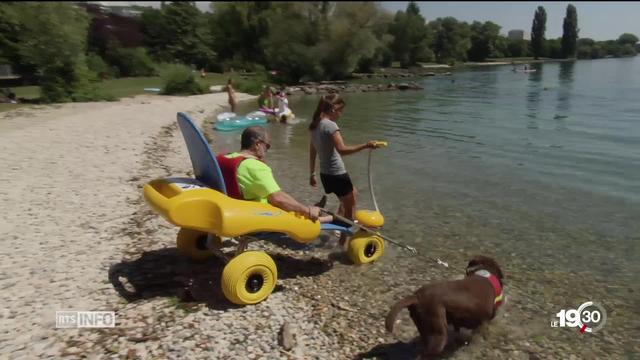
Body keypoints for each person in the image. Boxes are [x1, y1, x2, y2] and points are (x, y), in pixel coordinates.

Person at [216, 126, 332, 223]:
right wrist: (307, 211)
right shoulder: (255, 166)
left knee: (290, 203)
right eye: (267, 146)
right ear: (257, 144)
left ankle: (314, 209)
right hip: (253, 216)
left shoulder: (223, 158)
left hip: (231, 209)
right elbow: (278, 199)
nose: (267, 150)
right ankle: (327, 218)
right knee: (301, 213)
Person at [308, 93, 380, 240]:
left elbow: (312, 150)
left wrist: (312, 174)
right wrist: (366, 145)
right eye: (340, 111)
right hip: (337, 173)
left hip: (325, 174)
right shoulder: (330, 125)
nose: (341, 114)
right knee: (351, 213)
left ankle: (328, 222)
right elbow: (342, 149)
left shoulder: (315, 125)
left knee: (352, 194)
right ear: (334, 109)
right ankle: (341, 244)